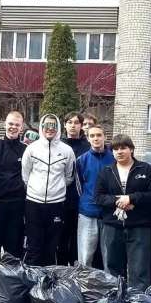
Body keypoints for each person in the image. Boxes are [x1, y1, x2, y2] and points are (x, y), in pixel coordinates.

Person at [94, 134, 151, 289]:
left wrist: (132, 199)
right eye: (115, 149)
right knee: (113, 269)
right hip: (112, 226)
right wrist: (119, 201)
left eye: (123, 148)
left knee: (139, 270)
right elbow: (98, 197)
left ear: (131, 149)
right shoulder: (106, 172)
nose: (119, 151)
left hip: (139, 226)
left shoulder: (147, 169)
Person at [21, 114, 75, 267]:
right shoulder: (31, 149)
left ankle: (49, 282)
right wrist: (35, 189)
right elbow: (25, 175)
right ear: (41, 127)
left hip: (56, 204)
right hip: (33, 203)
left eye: (53, 126)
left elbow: (69, 177)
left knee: (52, 246)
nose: (50, 129)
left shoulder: (67, 151)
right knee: (33, 244)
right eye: (46, 126)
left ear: (58, 128)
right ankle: (32, 281)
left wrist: (56, 189)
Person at [0, 111, 27, 262]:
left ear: (22, 127)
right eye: (10, 124)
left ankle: (12, 280)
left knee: (14, 247)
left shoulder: (26, 149)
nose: (13, 127)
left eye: (17, 125)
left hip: (17, 205)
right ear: (4, 125)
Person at [76, 125, 114, 268]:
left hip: (109, 213)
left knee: (109, 258)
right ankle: (83, 288)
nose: (96, 138)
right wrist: (86, 202)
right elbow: (79, 186)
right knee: (85, 258)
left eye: (99, 135)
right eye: (92, 136)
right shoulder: (81, 160)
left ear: (104, 137)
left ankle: (111, 288)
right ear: (87, 138)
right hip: (88, 213)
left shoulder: (114, 158)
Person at [59, 112, 90, 265]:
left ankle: (76, 272)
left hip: (81, 200)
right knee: (62, 238)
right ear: (64, 125)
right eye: (69, 122)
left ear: (81, 125)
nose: (72, 125)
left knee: (78, 239)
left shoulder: (88, 146)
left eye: (76, 122)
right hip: (60, 199)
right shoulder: (58, 144)